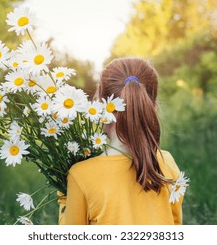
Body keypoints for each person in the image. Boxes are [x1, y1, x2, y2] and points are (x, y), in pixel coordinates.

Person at [58, 58, 183, 225]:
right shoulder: (167, 163)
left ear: (101, 104)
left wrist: (65, 200)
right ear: (151, 105)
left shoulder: (81, 175)